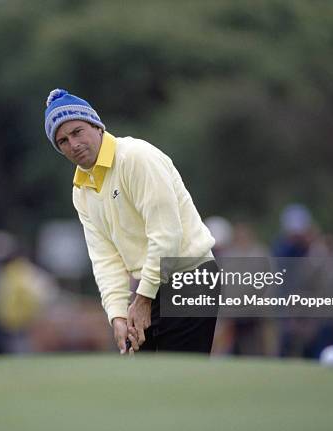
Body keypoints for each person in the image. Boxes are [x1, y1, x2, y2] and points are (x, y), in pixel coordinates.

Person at [44, 88, 218, 354]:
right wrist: (117, 316)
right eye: (63, 141)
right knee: (148, 384)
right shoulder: (80, 190)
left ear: (97, 126)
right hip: (150, 287)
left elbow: (166, 235)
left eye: (77, 132)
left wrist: (142, 299)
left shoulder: (136, 157)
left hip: (189, 277)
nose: (73, 144)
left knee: (179, 383)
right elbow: (105, 258)